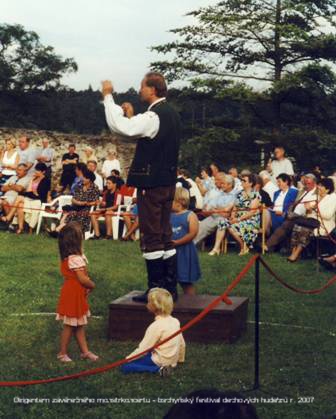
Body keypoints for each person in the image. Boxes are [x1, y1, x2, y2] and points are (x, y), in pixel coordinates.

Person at [103, 72, 181, 303]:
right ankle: (170, 288)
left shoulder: (154, 116)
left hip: (152, 184)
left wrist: (108, 97)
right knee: (165, 234)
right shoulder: (171, 114)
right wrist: (133, 116)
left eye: (142, 87)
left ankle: (155, 291)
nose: (140, 91)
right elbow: (149, 134)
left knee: (151, 236)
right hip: (167, 182)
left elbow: (121, 128)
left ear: (152, 90)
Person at [56, 222, 98, 362]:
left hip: (75, 293)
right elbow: (82, 279)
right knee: (70, 325)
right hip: (73, 294)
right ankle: (62, 353)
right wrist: (91, 285)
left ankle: (85, 352)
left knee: (79, 324)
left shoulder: (72, 257)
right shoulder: (76, 259)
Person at [120, 288, 185, 375]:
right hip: (172, 361)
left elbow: (144, 348)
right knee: (146, 356)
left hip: (160, 360)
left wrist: (128, 359)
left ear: (155, 306)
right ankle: (163, 367)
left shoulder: (156, 326)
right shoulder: (175, 321)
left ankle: (157, 370)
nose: (147, 304)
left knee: (126, 366)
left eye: (149, 302)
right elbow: (182, 342)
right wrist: (180, 359)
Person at [288, 177, 336, 262]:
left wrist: (314, 209)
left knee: (305, 229)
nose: (318, 187)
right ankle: (293, 251)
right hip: (312, 222)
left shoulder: (332, 198)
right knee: (297, 226)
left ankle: (296, 253)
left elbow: (328, 215)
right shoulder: (317, 197)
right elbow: (310, 214)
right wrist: (308, 210)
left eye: (321, 186)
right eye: (318, 185)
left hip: (323, 224)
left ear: (328, 189)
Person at [211, 173, 261, 256]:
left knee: (231, 226)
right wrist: (233, 216)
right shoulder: (239, 193)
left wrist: (238, 219)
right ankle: (216, 248)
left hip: (250, 220)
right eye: (241, 180)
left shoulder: (255, 194)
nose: (242, 182)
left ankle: (244, 247)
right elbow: (235, 207)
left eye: (244, 181)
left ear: (250, 183)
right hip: (237, 219)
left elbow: (252, 212)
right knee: (222, 222)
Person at [265, 173, 317, 252]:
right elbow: (292, 204)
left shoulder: (316, 193)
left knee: (285, 222)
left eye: (309, 183)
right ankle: (269, 245)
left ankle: (267, 245)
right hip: (293, 214)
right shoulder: (302, 191)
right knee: (272, 216)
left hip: (303, 216)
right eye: (305, 183)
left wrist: (285, 213)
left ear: (314, 183)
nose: (306, 185)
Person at [2, 163, 51, 234]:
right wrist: (32, 182)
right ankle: (20, 228)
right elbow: (29, 191)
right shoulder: (34, 179)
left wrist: (33, 193)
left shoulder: (46, 180)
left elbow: (41, 195)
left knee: (19, 197)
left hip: (38, 201)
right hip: (31, 199)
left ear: (43, 172)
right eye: (36, 170)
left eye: (38, 171)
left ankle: (9, 217)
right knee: (20, 205)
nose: (36, 172)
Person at [171, 188, 201, 295]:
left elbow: (193, 233)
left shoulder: (190, 215)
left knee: (185, 281)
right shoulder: (170, 215)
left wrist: (178, 242)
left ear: (180, 202)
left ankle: (191, 303)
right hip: (171, 252)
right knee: (170, 279)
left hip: (184, 252)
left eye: (171, 201)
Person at [194, 173, 237, 245]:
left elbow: (226, 212)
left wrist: (217, 209)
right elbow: (210, 207)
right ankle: (190, 244)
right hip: (214, 216)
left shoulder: (235, 195)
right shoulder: (220, 194)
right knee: (201, 226)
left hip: (224, 219)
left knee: (213, 224)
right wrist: (218, 209)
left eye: (223, 183)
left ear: (230, 185)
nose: (221, 185)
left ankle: (191, 244)